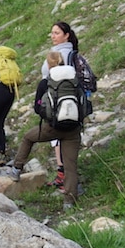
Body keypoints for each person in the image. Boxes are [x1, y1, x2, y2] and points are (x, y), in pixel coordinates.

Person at [7, 51, 82, 211]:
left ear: (48, 64)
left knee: (28, 138)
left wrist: (49, 117)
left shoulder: (46, 83)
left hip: (52, 127)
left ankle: (16, 169)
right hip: (73, 130)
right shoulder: (75, 80)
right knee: (70, 165)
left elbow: (37, 107)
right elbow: (84, 103)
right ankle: (69, 202)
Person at [41, 21, 79, 187]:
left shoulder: (61, 53)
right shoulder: (70, 52)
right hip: (70, 100)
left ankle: (63, 176)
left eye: (56, 33)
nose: (53, 36)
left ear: (66, 35)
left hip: (59, 99)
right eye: (52, 33)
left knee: (58, 137)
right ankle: (65, 176)